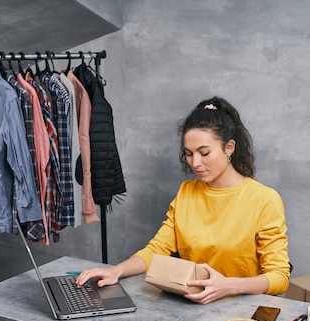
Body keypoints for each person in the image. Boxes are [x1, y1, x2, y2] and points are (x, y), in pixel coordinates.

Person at [76, 96, 290, 304]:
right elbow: (157, 248)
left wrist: (229, 286)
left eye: (204, 153)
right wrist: (116, 270)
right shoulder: (187, 191)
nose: (195, 163)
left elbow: (280, 277)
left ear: (229, 148)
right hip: (193, 305)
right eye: (189, 153)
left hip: (241, 310)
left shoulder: (264, 199)